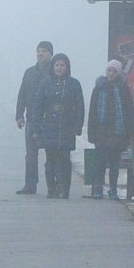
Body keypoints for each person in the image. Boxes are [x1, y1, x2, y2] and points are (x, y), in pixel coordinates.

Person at [31, 52, 84, 198]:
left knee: (65, 160)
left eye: (62, 65)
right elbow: (38, 105)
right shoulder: (46, 83)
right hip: (49, 126)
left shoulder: (74, 84)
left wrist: (78, 125)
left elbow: (79, 106)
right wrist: (36, 127)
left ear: (67, 67)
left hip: (67, 126)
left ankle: (65, 189)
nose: (59, 68)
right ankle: (51, 189)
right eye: (57, 65)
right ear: (53, 67)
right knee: (51, 161)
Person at [86, 59, 134, 199]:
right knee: (100, 161)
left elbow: (129, 111)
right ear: (105, 71)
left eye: (114, 71)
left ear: (119, 73)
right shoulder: (99, 87)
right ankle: (97, 187)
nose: (111, 73)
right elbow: (93, 112)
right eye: (109, 70)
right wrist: (91, 132)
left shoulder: (123, 88)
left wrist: (129, 133)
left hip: (118, 132)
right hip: (101, 131)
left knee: (114, 162)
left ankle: (113, 188)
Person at [14, 41, 54, 195]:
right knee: (31, 154)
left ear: (50, 53)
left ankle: (53, 186)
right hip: (31, 119)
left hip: (50, 120)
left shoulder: (55, 72)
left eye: (44, 51)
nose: (40, 54)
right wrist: (19, 115)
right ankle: (30, 185)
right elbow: (22, 93)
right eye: (38, 51)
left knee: (52, 155)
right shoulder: (29, 72)